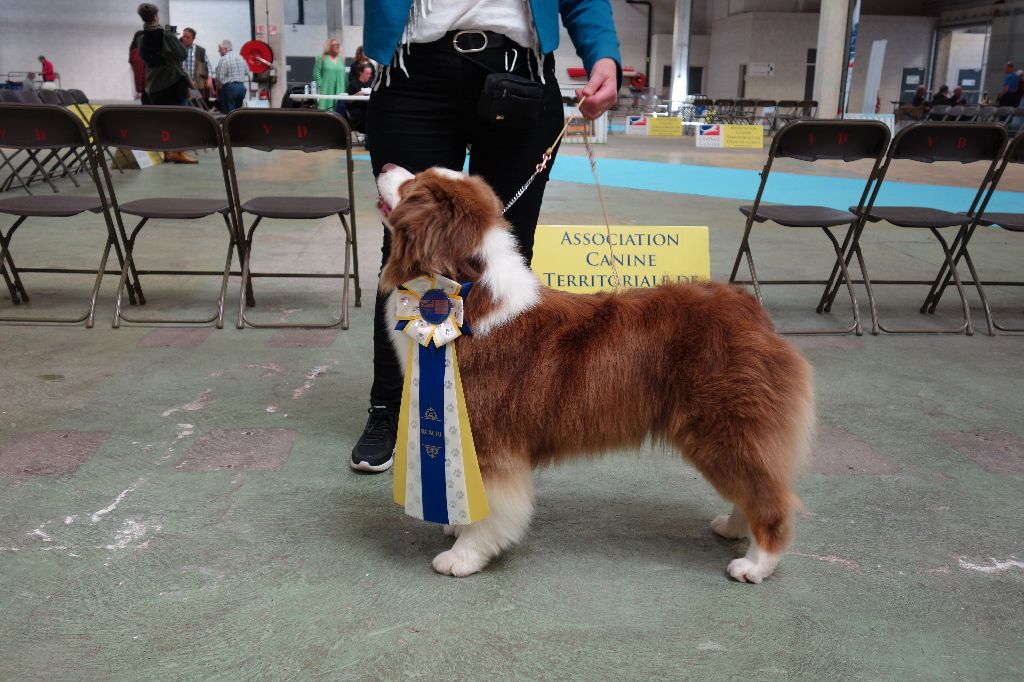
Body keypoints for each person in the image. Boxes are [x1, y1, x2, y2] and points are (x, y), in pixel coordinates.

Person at [349, 0, 621, 472]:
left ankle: (500, 407)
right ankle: (392, 408)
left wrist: (603, 54)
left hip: (520, 68)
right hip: (415, 70)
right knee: (411, 255)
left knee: (509, 253)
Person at [135, 3, 196, 163]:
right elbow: (182, 54)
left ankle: (167, 152)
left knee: (164, 120)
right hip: (173, 83)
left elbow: (146, 59)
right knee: (181, 118)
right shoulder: (166, 34)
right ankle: (179, 152)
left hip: (154, 86)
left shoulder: (141, 38)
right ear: (156, 16)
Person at [312, 38, 347, 113]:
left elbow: (344, 75)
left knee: (339, 113)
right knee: (326, 112)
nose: (337, 46)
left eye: (338, 45)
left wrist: (345, 88)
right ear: (329, 46)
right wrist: (321, 84)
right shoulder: (322, 57)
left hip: (340, 90)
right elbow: (316, 73)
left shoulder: (341, 58)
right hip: (327, 89)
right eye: (334, 45)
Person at [214, 40, 248, 115]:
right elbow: (247, 71)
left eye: (220, 49)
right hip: (241, 88)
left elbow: (219, 78)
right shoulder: (240, 57)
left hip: (229, 88)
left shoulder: (224, 59)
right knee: (237, 112)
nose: (218, 51)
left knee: (228, 114)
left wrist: (217, 88)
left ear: (225, 49)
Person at [181, 28, 214, 99]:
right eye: (184, 36)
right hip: (182, 84)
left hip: (196, 84)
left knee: (196, 103)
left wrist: (210, 79)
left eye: (187, 37)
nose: (185, 39)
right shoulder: (178, 49)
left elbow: (208, 65)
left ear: (193, 38)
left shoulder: (200, 51)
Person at [345, 63, 373, 133]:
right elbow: (347, 101)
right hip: (357, 108)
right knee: (363, 115)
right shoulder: (353, 84)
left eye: (370, 74)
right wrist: (356, 95)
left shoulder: (372, 83)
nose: (369, 76)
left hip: (369, 108)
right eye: (367, 74)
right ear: (361, 73)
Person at [129, 30, 150, 103]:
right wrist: (139, 90)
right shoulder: (138, 52)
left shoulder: (140, 52)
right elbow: (138, 72)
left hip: (146, 88)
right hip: (146, 89)